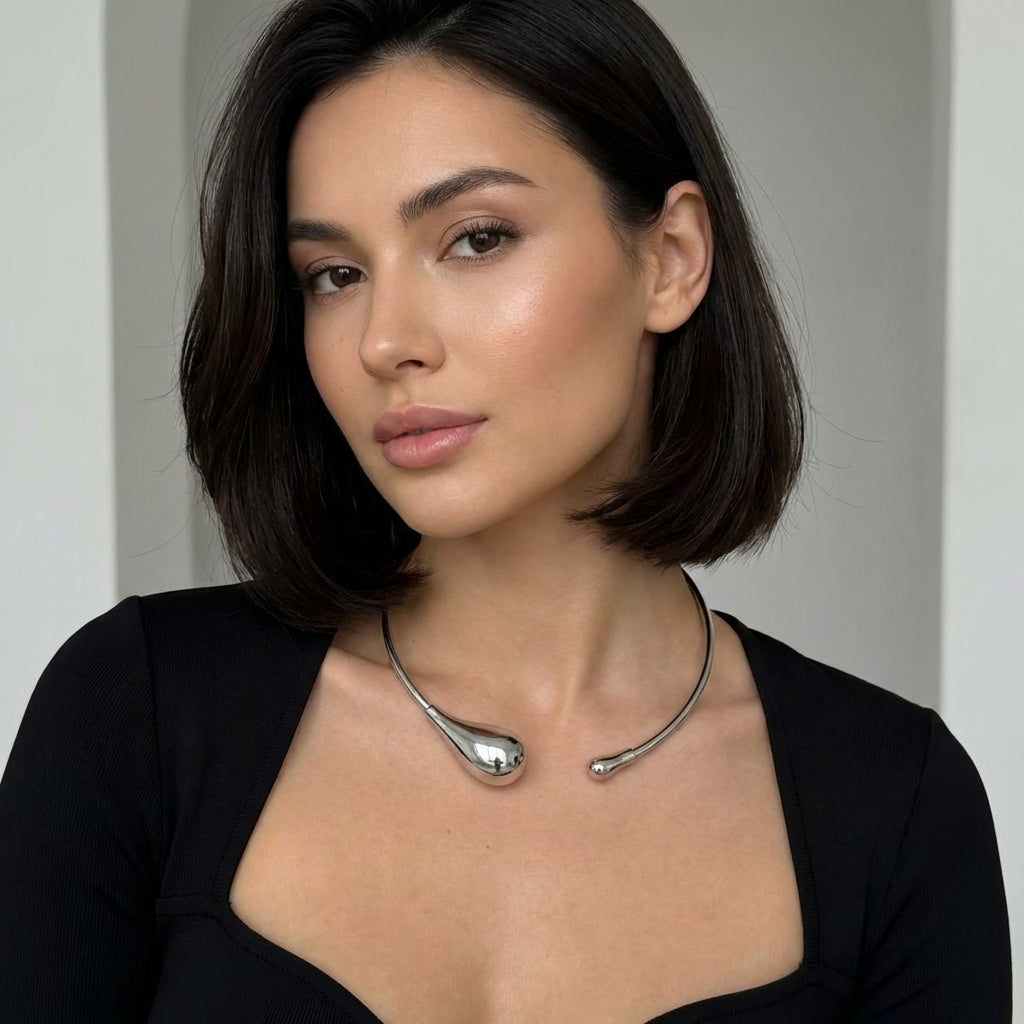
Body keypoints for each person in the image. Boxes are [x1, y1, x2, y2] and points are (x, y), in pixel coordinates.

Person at [0, 0, 1011, 1020]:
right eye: (336, 274)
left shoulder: (895, 807)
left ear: (670, 258)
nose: (384, 340)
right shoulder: (138, 716)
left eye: (475, 238)